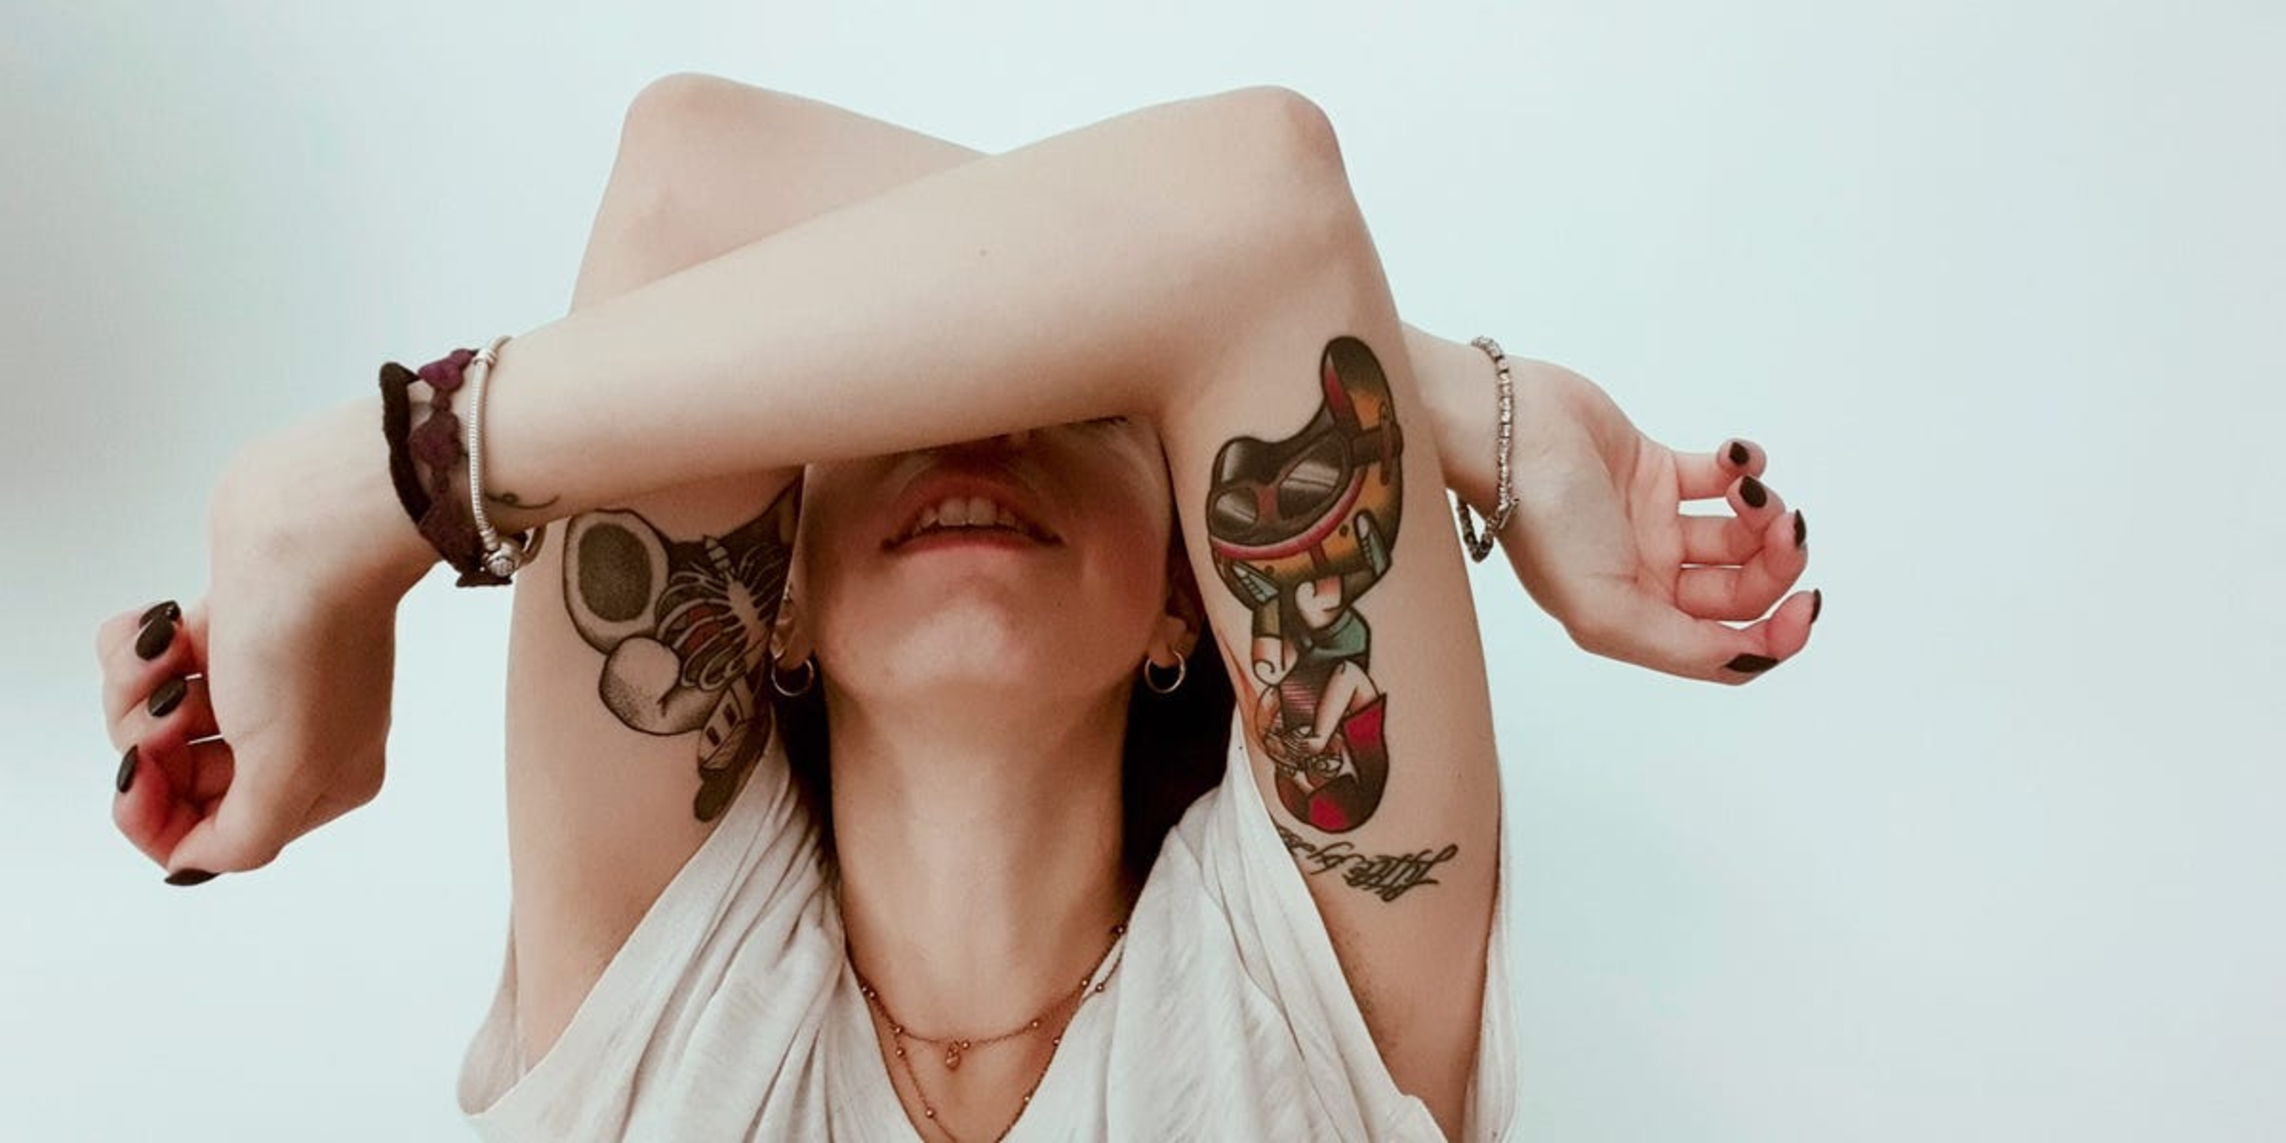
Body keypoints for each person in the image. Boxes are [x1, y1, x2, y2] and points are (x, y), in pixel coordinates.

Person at [94, 75, 1819, 1141]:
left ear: (1189, 599)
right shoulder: (674, 979)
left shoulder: (1303, 984)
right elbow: (691, 180)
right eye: (896, 405)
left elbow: (1260, 210)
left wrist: (371, 492)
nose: (980, 427)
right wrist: (1450, 408)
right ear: (768, 604)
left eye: (1081, 400)